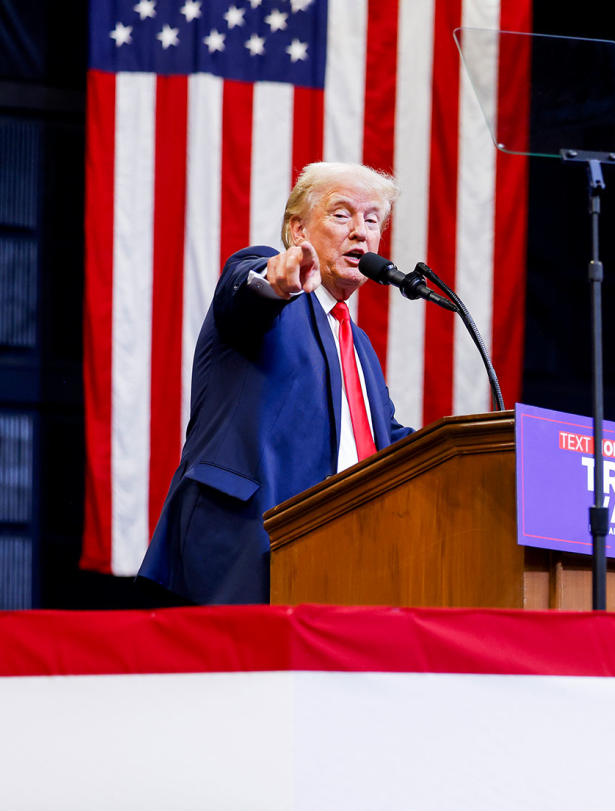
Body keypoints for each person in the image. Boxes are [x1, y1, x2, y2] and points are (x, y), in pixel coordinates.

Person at [139, 162, 414, 605]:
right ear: (299, 229)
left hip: (340, 566)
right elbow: (243, 294)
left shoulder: (358, 346)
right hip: (242, 550)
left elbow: (387, 443)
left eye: (372, 220)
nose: (361, 233)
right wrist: (275, 281)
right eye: (342, 214)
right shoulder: (271, 288)